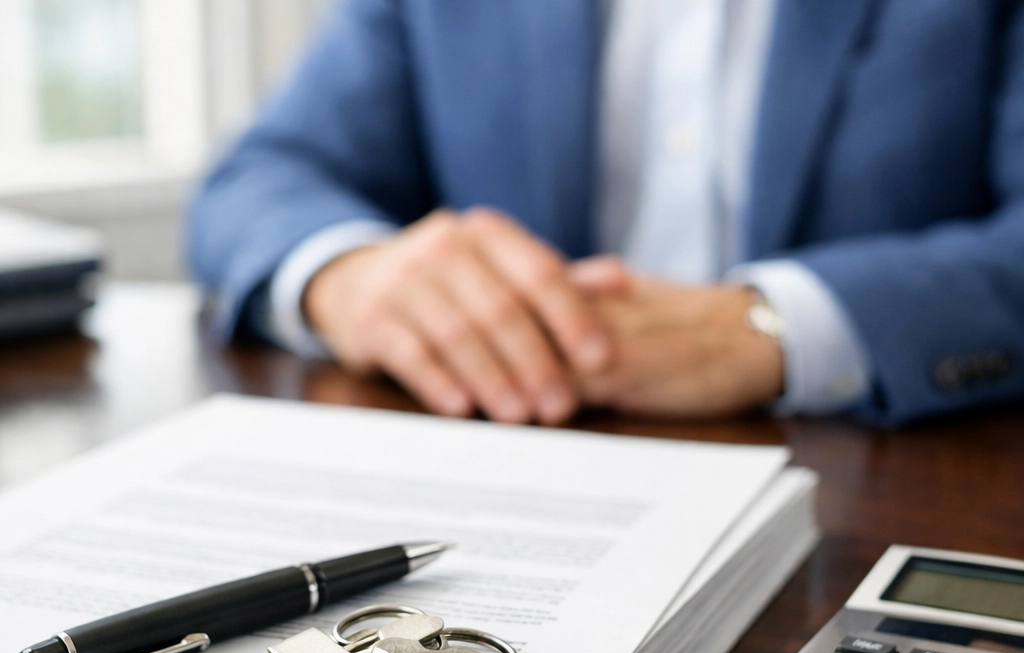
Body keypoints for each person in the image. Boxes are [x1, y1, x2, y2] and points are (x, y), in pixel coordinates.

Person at [188, 0, 1024, 427]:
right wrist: (349, 273)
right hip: (516, 452)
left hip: (879, 474)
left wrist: (775, 327)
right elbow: (261, 177)